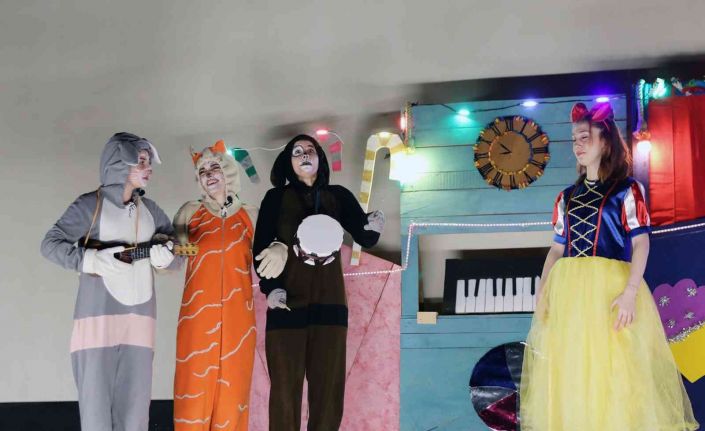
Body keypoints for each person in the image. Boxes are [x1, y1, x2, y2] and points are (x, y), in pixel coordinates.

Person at [520, 103, 699, 430]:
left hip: (611, 292)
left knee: (615, 372)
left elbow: (641, 242)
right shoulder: (566, 197)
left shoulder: (627, 191)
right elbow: (556, 249)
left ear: (605, 142)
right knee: (574, 371)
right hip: (571, 296)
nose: (578, 145)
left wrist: (630, 292)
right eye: (574, 139)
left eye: (585, 137)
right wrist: (543, 291)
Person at [41, 132, 176, 431]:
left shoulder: (151, 211)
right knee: (96, 411)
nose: (148, 168)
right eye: (141, 161)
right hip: (96, 324)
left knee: (136, 413)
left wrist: (166, 257)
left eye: (148, 162)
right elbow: (50, 244)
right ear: (119, 163)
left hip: (140, 325)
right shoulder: (90, 206)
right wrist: (90, 261)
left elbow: (176, 251)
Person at [252, 134, 385, 431]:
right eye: (297, 151)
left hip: (330, 303)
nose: (304, 154)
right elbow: (260, 247)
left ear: (320, 157)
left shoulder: (337, 196)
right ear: (288, 162)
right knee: (284, 391)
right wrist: (270, 288)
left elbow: (364, 236)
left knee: (328, 391)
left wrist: (374, 226)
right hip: (286, 302)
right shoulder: (276, 198)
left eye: (310, 150)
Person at [172, 140, 286, 430]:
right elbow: (174, 256)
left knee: (233, 393)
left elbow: (267, 256)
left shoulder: (251, 214)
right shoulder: (189, 213)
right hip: (197, 317)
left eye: (215, 167)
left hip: (238, 318)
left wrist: (280, 247)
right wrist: (167, 249)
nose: (209, 174)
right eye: (202, 171)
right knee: (192, 393)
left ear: (229, 172)